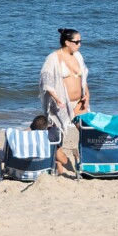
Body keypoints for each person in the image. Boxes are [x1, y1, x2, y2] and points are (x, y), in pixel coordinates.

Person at [40, 28, 89, 159]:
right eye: (77, 42)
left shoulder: (78, 56)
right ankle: (57, 164)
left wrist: (87, 95)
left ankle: (85, 160)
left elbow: (83, 77)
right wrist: (56, 99)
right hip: (60, 102)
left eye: (80, 41)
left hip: (79, 102)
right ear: (67, 42)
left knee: (86, 132)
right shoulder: (53, 58)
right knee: (57, 135)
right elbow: (47, 82)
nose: (80, 44)